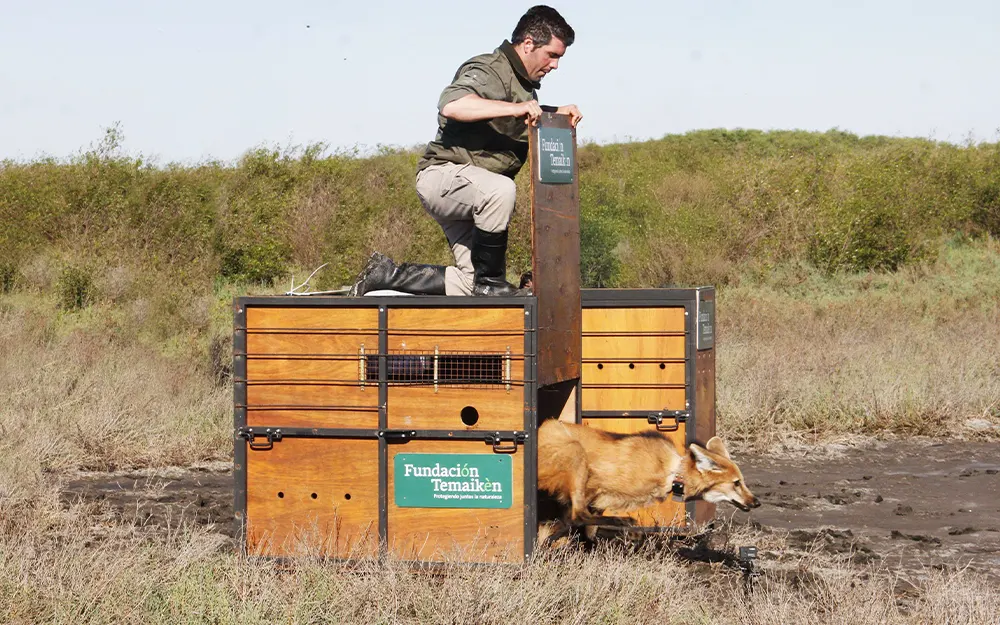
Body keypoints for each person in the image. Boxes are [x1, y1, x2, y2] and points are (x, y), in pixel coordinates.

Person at [350, 5, 582, 297]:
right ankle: (491, 283)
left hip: (474, 193)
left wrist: (555, 113)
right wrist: (516, 108)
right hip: (443, 178)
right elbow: (452, 104)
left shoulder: (523, 86)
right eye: (553, 55)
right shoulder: (489, 69)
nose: (555, 65)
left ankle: (387, 275)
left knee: (469, 284)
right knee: (500, 191)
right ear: (527, 44)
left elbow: (519, 114)